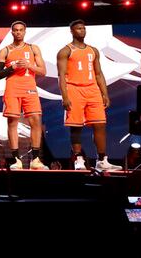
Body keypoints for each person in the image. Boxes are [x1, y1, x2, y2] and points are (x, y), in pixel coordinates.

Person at [56, 19, 122, 172]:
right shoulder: (65, 51)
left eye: (84, 28)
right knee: (76, 126)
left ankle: (102, 160)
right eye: (79, 28)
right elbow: (61, 75)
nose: (82, 31)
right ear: (72, 31)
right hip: (74, 89)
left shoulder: (93, 50)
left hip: (92, 90)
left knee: (100, 124)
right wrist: (65, 96)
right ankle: (78, 160)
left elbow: (99, 74)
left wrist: (105, 94)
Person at [0, 21, 49, 170]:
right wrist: (12, 67)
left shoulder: (33, 48)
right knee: (12, 122)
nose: (18, 32)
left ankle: (35, 160)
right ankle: (16, 160)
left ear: (25, 32)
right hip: (12, 88)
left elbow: (43, 71)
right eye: (16, 30)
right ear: (12, 32)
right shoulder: (5, 51)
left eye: (21, 30)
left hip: (29, 87)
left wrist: (29, 65)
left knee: (36, 121)